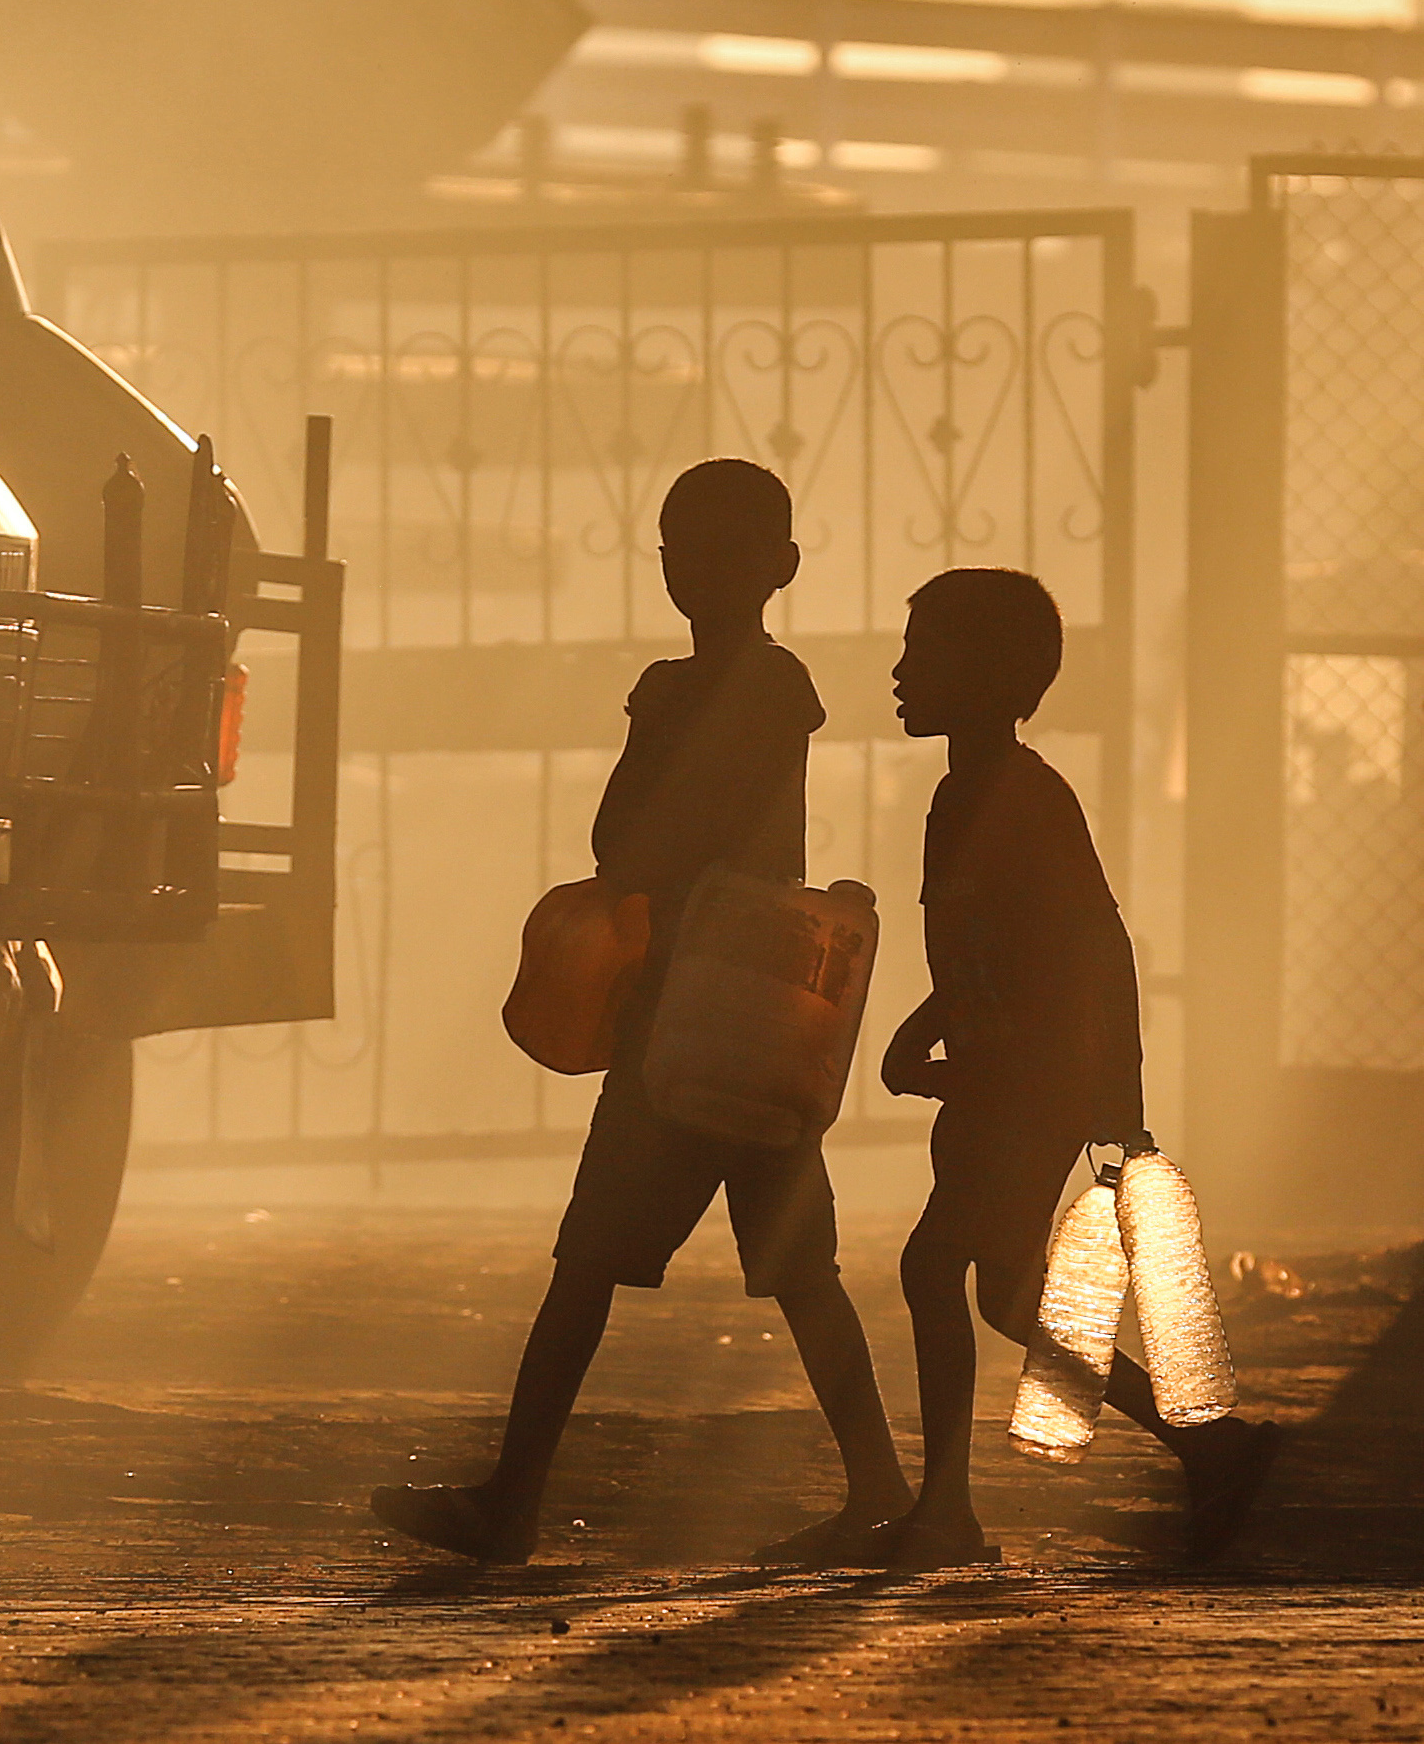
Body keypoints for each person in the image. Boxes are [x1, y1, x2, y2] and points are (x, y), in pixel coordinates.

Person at [372, 459, 912, 1565]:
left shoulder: (697, 692)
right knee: (798, 1271)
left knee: (589, 1266)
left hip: (685, 1014)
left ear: (777, 565)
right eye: (680, 549)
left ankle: (513, 1501)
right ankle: (879, 1491)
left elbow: (623, 836)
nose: (692, 569)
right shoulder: (776, 688)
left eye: (710, 550)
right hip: (752, 1015)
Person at [875, 566, 1280, 1567]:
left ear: (986, 674)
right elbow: (980, 951)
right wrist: (925, 1029)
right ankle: (1209, 1445)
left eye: (923, 649)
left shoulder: (1019, 796)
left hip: (1026, 1086)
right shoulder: (964, 794)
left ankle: (945, 1510)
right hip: (999, 1079)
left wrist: (1111, 1097)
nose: (899, 669)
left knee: (933, 1267)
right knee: (1004, 1295)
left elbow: (1094, 946)